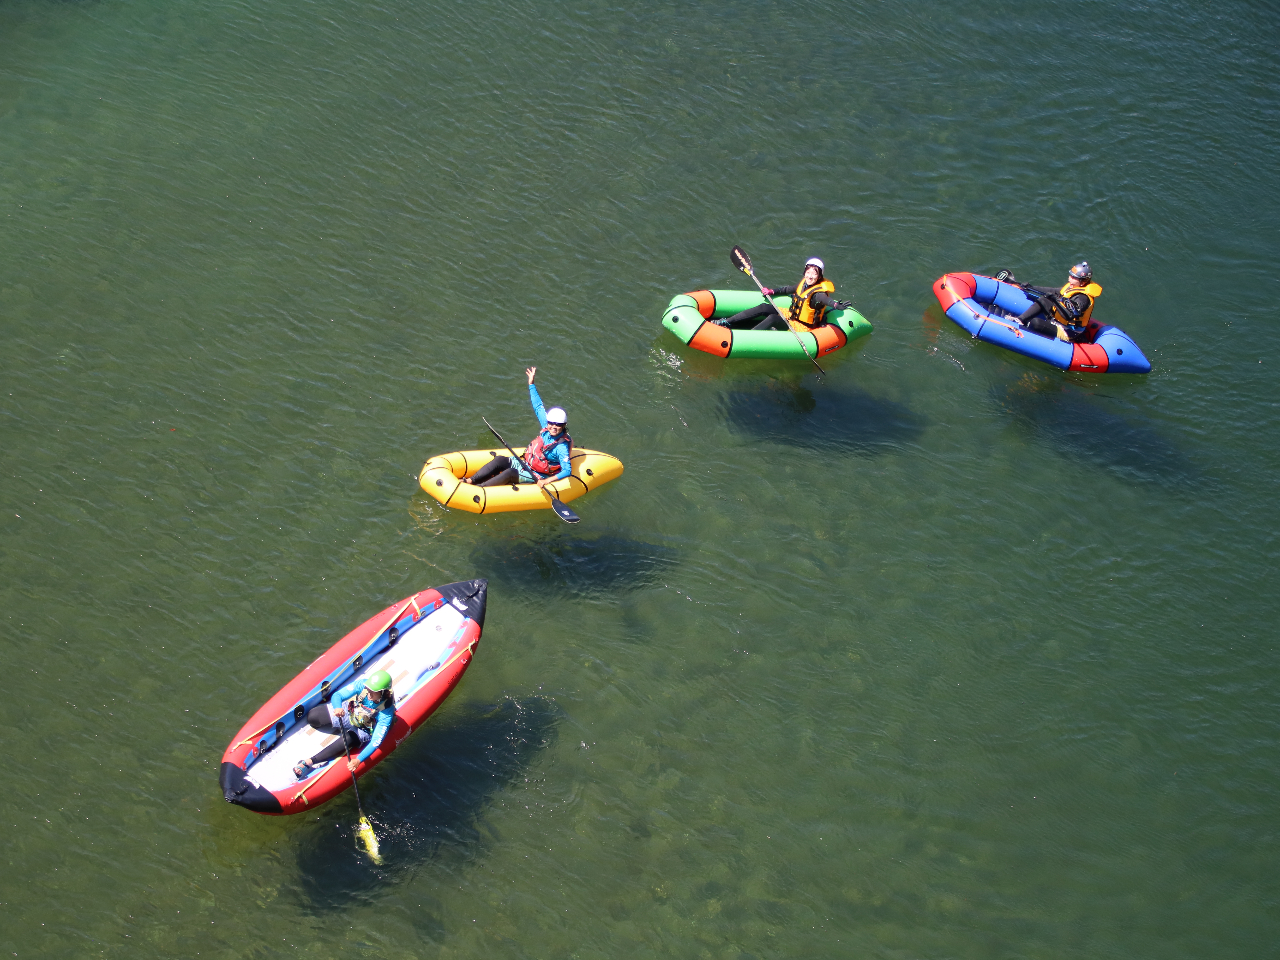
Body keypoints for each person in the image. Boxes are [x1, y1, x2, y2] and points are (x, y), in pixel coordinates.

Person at [463, 367, 572, 489]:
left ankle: (480, 488)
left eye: (558, 424)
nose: (553, 426)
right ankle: (470, 481)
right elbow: (538, 406)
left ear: (563, 425)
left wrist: (546, 481)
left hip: (538, 473)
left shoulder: (561, 448)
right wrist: (531, 384)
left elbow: (567, 470)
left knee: (510, 473)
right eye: (551, 423)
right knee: (500, 460)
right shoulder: (546, 426)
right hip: (527, 462)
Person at [293, 670, 396, 780]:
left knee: (348, 737)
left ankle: (310, 761)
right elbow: (338, 695)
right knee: (313, 717)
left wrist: (359, 759)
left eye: (373, 692)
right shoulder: (363, 685)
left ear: (383, 692)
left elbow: (376, 742)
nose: (369, 693)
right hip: (352, 713)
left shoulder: (386, 712)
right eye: (368, 690)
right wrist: (337, 707)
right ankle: (342, 729)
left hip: (365, 728)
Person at [718, 257, 843, 331]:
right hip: (792, 316)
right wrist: (772, 291)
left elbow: (826, 300)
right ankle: (727, 322)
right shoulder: (804, 284)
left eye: (814, 273)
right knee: (764, 307)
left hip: (801, 327)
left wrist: (836, 305)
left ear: (819, 276)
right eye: (808, 272)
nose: (810, 276)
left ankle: (748, 336)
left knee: (772, 319)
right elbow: (788, 289)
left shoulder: (817, 294)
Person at [1015, 262, 1102, 342]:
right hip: (1057, 320)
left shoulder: (1083, 298)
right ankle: (1020, 319)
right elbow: (1053, 291)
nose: (1069, 279)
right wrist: (1031, 288)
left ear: (1082, 282)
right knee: (1044, 300)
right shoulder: (1073, 286)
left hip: (1068, 331)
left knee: (1036, 323)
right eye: (1070, 275)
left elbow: (1069, 316)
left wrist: (1055, 300)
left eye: (1073, 277)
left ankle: (1022, 330)